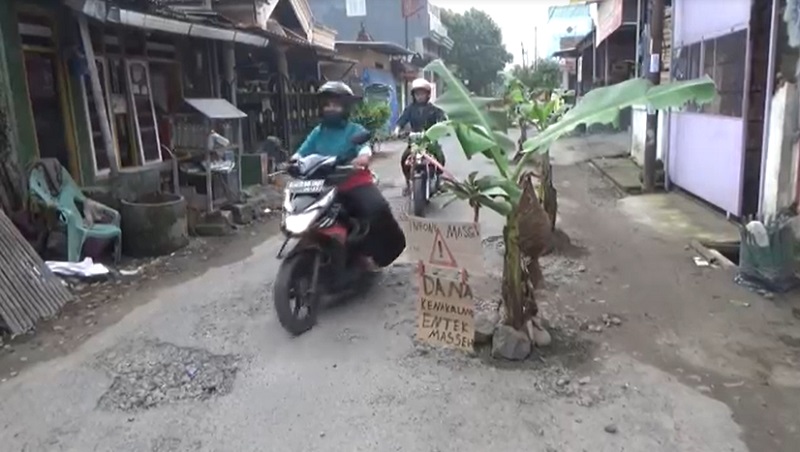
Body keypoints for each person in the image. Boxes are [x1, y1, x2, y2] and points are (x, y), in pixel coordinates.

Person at [292, 81, 406, 269]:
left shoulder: (354, 130)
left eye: (336, 104)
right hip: (323, 185)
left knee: (376, 209)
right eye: (327, 104)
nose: (331, 108)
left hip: (354, 181)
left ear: (345, 107)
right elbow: (300, 153)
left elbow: (364, 148)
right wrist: (292, 162)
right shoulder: (317, 132)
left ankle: (380, 254)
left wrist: (362, 157)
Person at [393, 78, 447, 195]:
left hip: (430, 140)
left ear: (428, 95)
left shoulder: (434, 109)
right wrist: (397, 130)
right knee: (404, 158)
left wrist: (443, 127)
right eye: (417, 94)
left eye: (422, 93)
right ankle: (408, 183)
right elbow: (402, 120)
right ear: (414, 95)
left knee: (440, 157)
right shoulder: (410, 109)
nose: (420, 96)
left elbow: (442, 119)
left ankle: (438, 181)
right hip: (414, 141)